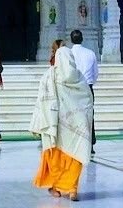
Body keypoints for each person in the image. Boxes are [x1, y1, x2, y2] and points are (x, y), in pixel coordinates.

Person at [30, 46, 95, 200]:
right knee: (75, 156)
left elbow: (42, 100)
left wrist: (39, 121)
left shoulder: (50, 76)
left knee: (56, 158)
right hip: (76, 125)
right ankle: (72, 189)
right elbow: (87, 101)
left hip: (56, 125)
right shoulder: (79, 78)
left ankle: (57, 187)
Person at [67, 28, 99, 151]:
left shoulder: (68, 54)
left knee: (73, 115)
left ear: (71, 40)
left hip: (73, 87)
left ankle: (75, 143)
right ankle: (90, 143)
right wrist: (90, 83)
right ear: (82, 39)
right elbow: (95, 73)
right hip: (87, 87)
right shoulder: (90, 53)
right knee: (89, 115)